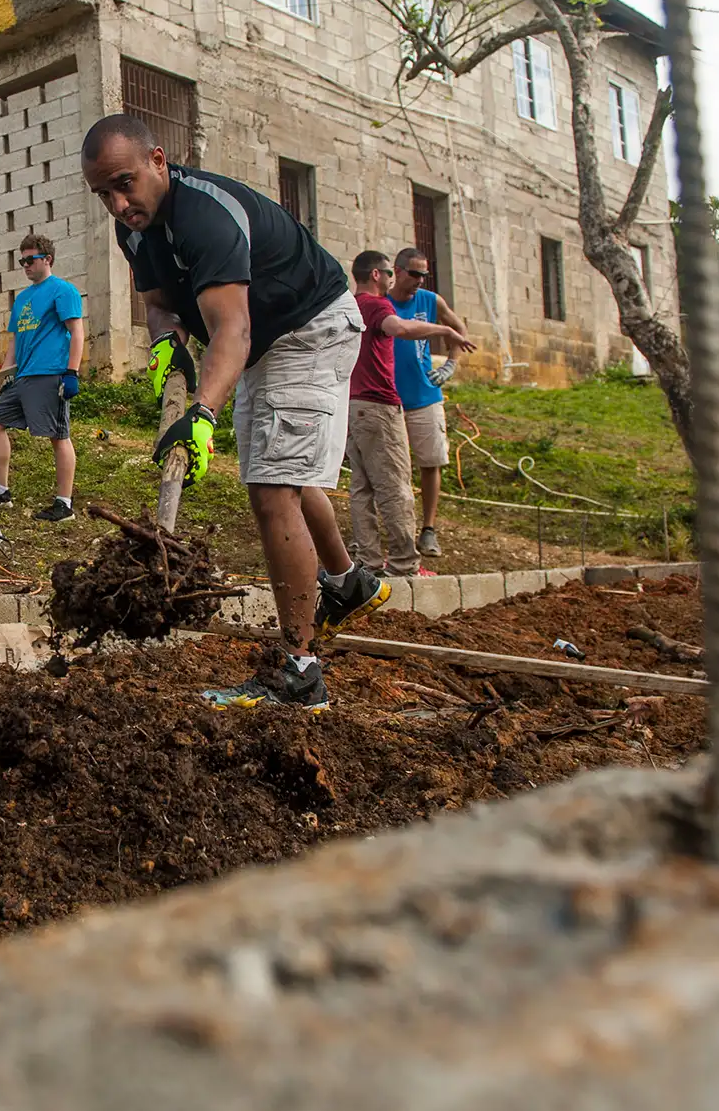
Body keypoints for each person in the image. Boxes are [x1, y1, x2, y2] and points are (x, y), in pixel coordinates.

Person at [81, 113, 387, 712]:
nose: (118, 204)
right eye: (103, 194)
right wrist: (167, 337)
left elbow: (233, 330)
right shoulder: (135, 231)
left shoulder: (206, 215)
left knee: (273, 486)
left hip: (307, 329)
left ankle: (300, 674)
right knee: (279, 475)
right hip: (266, 344)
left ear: (159, 161)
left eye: (124, 183)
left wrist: (202, 414)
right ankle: (348, 583)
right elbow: (161, 304)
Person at [348, 251, 475, 579]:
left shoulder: (348, 304)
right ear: (377, 274)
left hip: (353, 407)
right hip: (380, 405)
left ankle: (368, 562)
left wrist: (450, 361)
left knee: (361, 488)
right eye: (390, 272)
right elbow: (400, 328)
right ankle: (405, 565)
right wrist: (443, 333)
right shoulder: (378, 306)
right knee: (395, 487)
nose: (393, 279)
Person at [0, 233, 84, 522]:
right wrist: (2, 376)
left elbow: (77, 331)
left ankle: (64, 504)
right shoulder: (22, 299)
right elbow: (14, 342)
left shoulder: (62, 291)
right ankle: (0, 491)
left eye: (30, 260)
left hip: (49, 375)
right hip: (22, 377)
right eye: (22, 261)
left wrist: (71, 372)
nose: (25, 266)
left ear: (47, 259)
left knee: (58, 436)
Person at [385, 246, 470, 559]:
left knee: (430, 462)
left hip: (425, 394)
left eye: (424, 274)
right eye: (414, 273)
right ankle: (399, 528)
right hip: (388, 397)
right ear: (398, 270)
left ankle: (429, 528)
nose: (419, 280)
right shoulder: (382, 302)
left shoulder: (430, 301)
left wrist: (450, 364)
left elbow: (458, 328)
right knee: (394, 467)